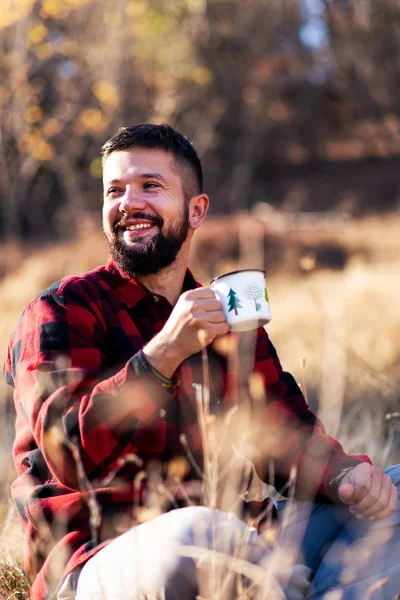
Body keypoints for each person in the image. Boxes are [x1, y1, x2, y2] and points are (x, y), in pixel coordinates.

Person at [4, 123, 400, 600]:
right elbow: (67, 454)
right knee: (198, 537)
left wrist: (342, 474)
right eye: (115, 190)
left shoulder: (226, 313)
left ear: (197, 210)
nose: (129, 202)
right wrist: (162, 355)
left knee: (394, 491)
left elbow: (282, 438)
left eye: (150, 186)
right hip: (102, 559)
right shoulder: (62, 310)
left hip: (241, 540)